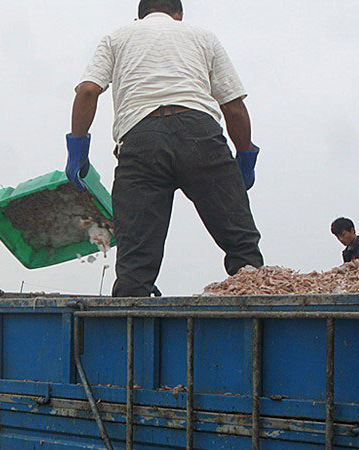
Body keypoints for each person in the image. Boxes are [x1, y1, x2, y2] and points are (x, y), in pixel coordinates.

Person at [66, 0, 264, 298]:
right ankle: (259, 315)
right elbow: (233, 106)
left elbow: (87, 91)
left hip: (140, 141)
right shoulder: (202, 36)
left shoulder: (117, 38)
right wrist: (245, 157)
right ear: (179, 15)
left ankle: (131, 327)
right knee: (242, 246)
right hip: (200, 137)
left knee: (135, 263)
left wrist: (77, 150)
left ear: (139, 16)